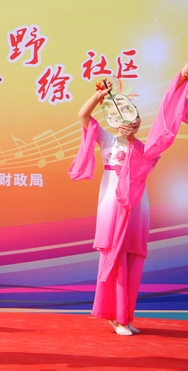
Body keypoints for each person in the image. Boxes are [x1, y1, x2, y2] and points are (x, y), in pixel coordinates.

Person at [69, 65, 188, 336]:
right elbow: (83, 115)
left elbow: (163, 133)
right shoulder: (106, 140)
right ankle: (116, 318)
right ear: (114, 118)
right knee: (114, 257)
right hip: (111, 203)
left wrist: (181, 81)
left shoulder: (146, 149)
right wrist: (100, 96)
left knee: (132, 260)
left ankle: (125, 316)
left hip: (137, 206)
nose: (130, 120)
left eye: (134, 116)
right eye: (124, 114)